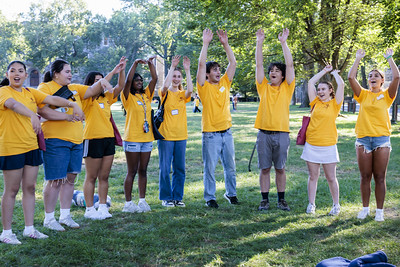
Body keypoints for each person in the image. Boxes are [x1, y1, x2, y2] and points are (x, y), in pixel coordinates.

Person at [0, 61, 84, 244]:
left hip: (31, 147)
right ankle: (6, 232)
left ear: (25, 75)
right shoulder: (4, 91)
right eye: (12, 70)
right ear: (7, 74)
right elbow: (13, 105)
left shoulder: (31, 93)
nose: (17, 73)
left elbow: (52, 100)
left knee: (30, 188)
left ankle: (29, 229)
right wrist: (31, 115)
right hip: (12, 147)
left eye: (20, 71)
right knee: (12, 190)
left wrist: (72, 104)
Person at [37, 59, 107, 231]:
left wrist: (113, 73)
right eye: (67, 71)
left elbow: (93, 89)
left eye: (71, 71)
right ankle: (49, 218)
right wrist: (68, 117)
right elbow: (42, 110)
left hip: (76, 141)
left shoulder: (75, 88)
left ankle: (65, 215)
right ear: (56, 73)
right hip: (55, 140)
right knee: (55, 180)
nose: (71, 74)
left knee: (70, 180)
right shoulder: (45, 88)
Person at [348, 48, 399, 221]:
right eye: (370, 76)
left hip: (381, 140)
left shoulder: (387, 96)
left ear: (382, 80)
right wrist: (357, 59)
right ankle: (364, 209)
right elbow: (351, 78)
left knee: (379, 176)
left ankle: (380, 211)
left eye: (376, 75)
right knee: (365, 176)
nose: (372, 78)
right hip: (363, 139)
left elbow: (397, 77)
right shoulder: (363, 95)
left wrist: (390, 58)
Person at [197, 29, 238, 208]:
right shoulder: (203, 87)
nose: (218, 72)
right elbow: (200, 65)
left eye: (219, 69)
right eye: (214, 70)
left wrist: (225, 44)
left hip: (227, 133)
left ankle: (231, 194)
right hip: (211, 134)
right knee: (210, 169)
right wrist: (205, 43)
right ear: (207, 74)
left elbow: (233, 62)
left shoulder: (225, 83)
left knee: (230, 167)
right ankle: (210, 198)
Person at [255, 28, 295, 211]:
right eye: (271, 70)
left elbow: (291, 65)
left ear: (283, 75)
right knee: (264, 169)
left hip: (282, 134)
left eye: (277, 71)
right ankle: (264, 200)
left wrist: (283, 43)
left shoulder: (287, 88)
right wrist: (259, 42)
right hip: (264, 134)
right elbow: (259, 65)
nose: (273, 72)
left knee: (280, 168)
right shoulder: (263, 87)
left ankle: (281, 200)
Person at [81, 57, 127, 220]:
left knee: (104, 176)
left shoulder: (105, 98)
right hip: (92, 140)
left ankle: (102, 207)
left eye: (102, 80)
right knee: (91, 176)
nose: (101, 84)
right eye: (97, 81)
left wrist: (120, 71)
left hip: (108, 140)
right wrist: (112, 72)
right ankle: (89, 209)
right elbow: (96, 88)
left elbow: (120, 87)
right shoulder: (87, 98)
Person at [301, 65, 344, 215]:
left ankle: (336, 205)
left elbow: (342, 85)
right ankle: (311, 204)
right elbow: (310, 82)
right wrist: (324, 71)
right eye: (319, 90)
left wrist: (335, 74)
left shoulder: (335, 104)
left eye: (323, 89)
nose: (319, 92)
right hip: (312, 144)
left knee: (331, 177)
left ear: (330, 90)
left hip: (328, 145)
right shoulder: (315, 102)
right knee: (313, 176)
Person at [121, 56, 157, 213]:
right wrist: (134, 64)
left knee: (143, 170)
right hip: (132, 139)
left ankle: (142, 200)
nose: (139, 82)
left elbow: (155, 78)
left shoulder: (146, 95)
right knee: (132, 171)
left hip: (146, 139)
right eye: (137, 80)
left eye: (140, 80)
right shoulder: (127, 97)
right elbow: (127, 82)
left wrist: (150, 64)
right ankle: (128, 203)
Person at [158, 55, 193, 207]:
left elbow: (190, 89)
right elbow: (165, 86)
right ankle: (166, 197)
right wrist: (172, 67)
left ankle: (177, 197)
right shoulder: (164, 92)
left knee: (179, 168)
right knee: (165, 169)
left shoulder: (182, 95)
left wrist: (187, 70)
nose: (176, 79)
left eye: (179, 77)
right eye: (174, 76)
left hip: (181, 137)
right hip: (166, 136)